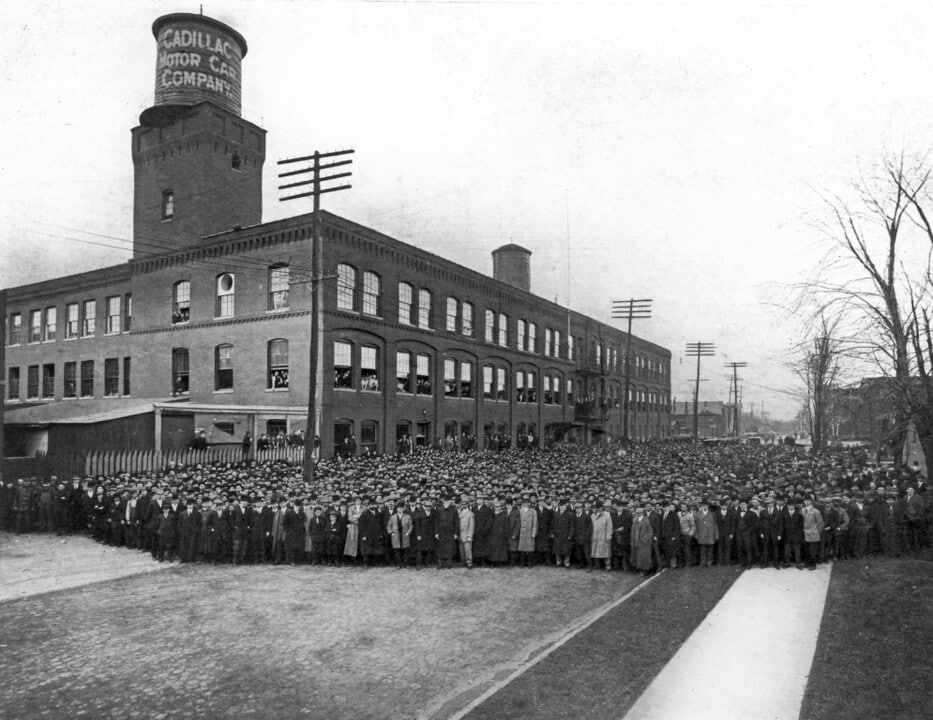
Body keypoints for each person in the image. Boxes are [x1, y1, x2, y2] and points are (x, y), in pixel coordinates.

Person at [435, 496, 460, 569]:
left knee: (449, 548)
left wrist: (455, 533)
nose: (446, 503)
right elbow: (436, 522)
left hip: (450, 532)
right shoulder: (439, 509)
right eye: (445, 501)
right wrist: (436, 532)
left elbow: (456, 522)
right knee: (440, 548)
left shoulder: (454, 510)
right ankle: (440, 563)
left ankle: (449, 563)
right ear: (443, 502)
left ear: (450, 502)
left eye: (448, 501)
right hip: (441, 532)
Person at [694, 499, 718, 568]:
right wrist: (696, 535)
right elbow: (695, 525)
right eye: (703, 505)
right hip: (701, 534)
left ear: (708, 506)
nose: (705, 507)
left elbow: (715, 525)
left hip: (710, 534)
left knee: (710, 550)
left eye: (706, 505)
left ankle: (709, 562)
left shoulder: (712, 514)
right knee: (702, 550)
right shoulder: (697, 514)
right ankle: (702, 563)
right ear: (701, 506)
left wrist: (716, 535)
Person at [631, 506, 655, 575]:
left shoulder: (646, 520)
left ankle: (645, 571)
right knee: (637, 556)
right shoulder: (635, 520)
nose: (638, 514)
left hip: (643, 542)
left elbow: (650, 532)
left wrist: (644, 539)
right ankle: (638, 569)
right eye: (637, 513)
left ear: (642, 513)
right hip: (636, 541)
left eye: (639, 513)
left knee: (644, 556)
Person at [590, 501, 613, 572]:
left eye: (599, 507)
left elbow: (610, 526)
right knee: (595, 551)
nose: (598, 509)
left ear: (602, 507)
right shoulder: (593, 515)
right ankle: (597, 565)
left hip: (604, 536)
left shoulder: (607, 515)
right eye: (597, 507)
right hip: (595, 535)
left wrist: (609, 536)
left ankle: (608, 566)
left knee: (606, 552)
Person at [802, 496, 824, 570]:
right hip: (804, 533)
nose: (806, 502)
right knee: (806, 550)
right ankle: (807, 563)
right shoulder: (802, 510)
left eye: (808, 501)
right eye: (805, 500)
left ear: (811, 501)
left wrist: (818, 533)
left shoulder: (816, 511)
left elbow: (820, 523)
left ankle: (813, 564)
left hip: (813, 533)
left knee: (812, 550)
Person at [458, 501, 475, 568]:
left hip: (467, 534)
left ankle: (469, 562)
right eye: (462, 504)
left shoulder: (471, 514)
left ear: (468, 505)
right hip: (460, 534)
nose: (463, 505)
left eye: (465, 504)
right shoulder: (460, 513)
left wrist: (470, 535)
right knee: (461, 549)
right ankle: (463, 562)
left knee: (468, 549)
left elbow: (472, 525)